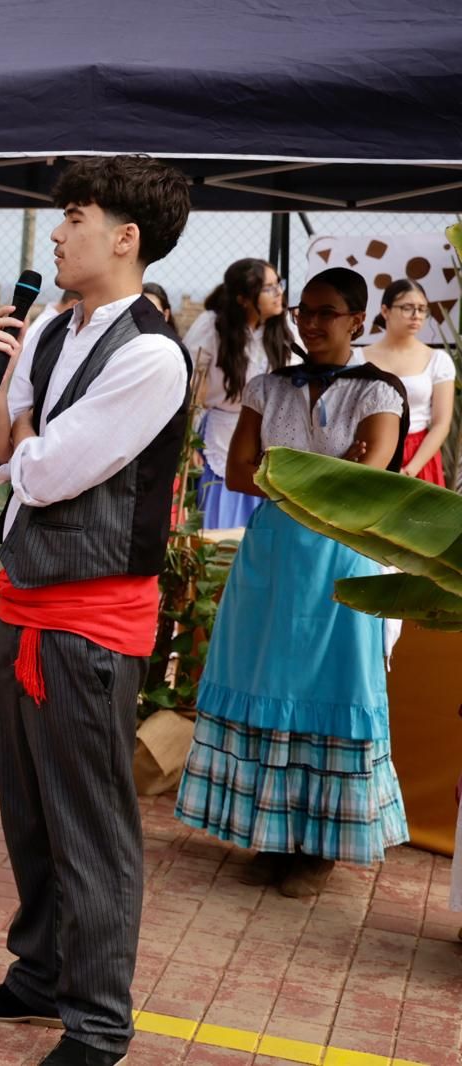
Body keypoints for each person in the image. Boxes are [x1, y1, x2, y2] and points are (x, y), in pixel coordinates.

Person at [0, 155, 193, 1066]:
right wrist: (6, 383)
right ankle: (37, 974)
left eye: (73, 217)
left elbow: (43, 470)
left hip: (89, 620)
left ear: (124, 238)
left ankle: (97, 1024)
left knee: (91, 823)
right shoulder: (49, 331)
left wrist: (26, 441)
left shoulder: (153, 354)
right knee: (30, 812)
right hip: (25, 601)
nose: (55, 232)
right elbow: (2, 457)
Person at [176, 267, 410, 899]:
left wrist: (288, 475)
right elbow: (237, 470)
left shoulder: (378, 391)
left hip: (341, 561)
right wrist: (323, 475)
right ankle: (272, 831)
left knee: (332, 684)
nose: (309, 322)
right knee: (266, 678)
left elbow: (371, 472)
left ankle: (322, 848)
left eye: (326, 312)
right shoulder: (267, 386)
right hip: (273, 557)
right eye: (303, 310)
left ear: (359, 321)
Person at [182, 258, 296, 528]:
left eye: (278, 284)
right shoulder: (213, 325)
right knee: (222, 525)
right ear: (243, 298)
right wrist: (188, 442)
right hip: (222, 435)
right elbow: (193, 389)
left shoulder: (285, 327)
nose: (279, 292)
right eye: (268, 288)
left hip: (273, 437)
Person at [364, 279, 453, 486]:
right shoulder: (359, 357)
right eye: (407, 308)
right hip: (370, 451)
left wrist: (410, 470)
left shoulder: (437, 360)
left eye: (422, 309)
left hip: (418, 456)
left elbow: (441, 423)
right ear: (385, 311)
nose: (416, 316)